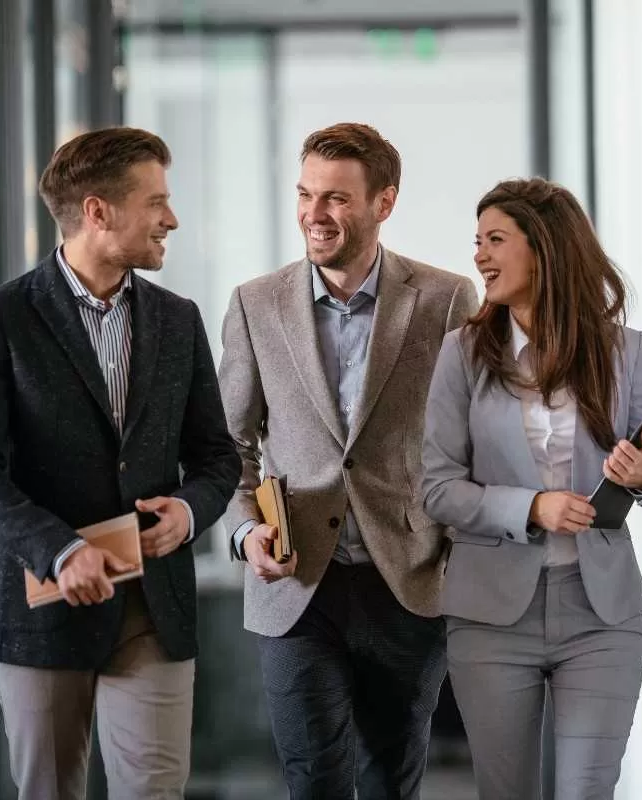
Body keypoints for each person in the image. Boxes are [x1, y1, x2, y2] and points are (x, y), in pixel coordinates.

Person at [0, 127, 241, 800]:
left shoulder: (178, 319)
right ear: (98, 211)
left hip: (152, 606)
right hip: (38, 603)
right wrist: (59, 550)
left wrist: (191, 510)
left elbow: (217, 457)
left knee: (154, 792)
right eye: (156, 201)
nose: (172, 218)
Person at [218, 121, 478, 799]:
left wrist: (456, 551)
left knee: (393, 780)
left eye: (335, 197)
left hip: (408, 582)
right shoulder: (255, 304)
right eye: (306, 194)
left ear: (383, 202)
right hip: (298, 587)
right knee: (314, 780)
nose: (314, 213)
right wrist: (247, 535)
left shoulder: (447, 300)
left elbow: (468, 438)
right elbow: (229, 443)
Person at [421, 177, 642, 799]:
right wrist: (531, 507)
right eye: (476, 241)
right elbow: (437, 489)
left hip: (601, 613)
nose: (480, 256)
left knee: (586, 791)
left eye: (495, 240)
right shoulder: (462, 354)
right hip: (491, 618)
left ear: (542, 247)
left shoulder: (623, 351)